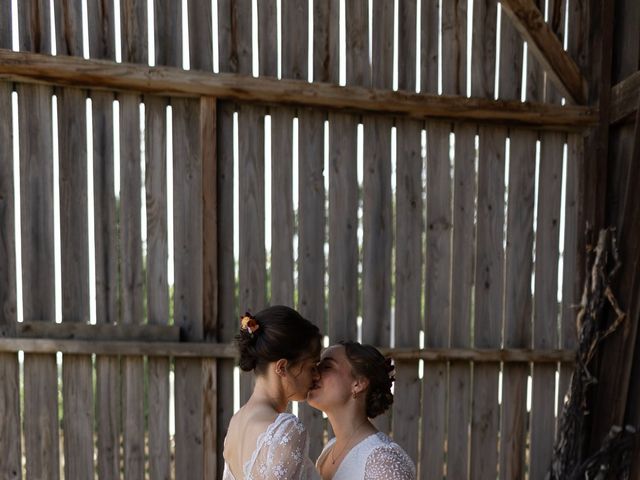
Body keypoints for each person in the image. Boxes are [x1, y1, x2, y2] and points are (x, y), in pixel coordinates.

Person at [222, 305, 322, 480]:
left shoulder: (236, 422)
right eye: (312, 367)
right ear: (282, 367)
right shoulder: (285, 429)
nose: (317, 375)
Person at [307, 341, 416, 480]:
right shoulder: (329, 450)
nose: (315, 374)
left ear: (358, 384)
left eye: (327, 366)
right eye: (317, 366)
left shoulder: (383, 462)